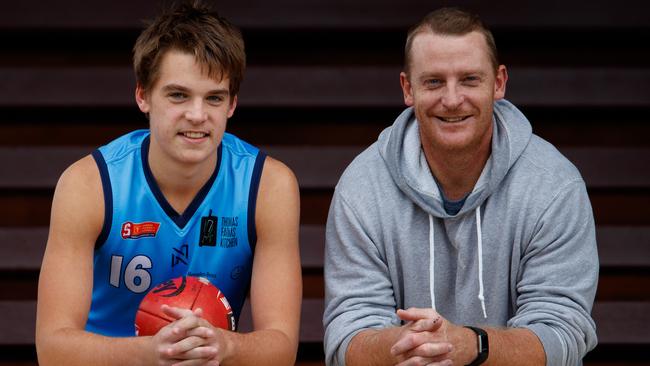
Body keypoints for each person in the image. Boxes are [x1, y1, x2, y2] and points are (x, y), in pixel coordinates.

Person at [323, 7, 598, 366]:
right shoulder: (361, 189)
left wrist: (472, 345)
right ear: (408, 89)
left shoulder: (554, 186)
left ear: (498, 83)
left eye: (469, 79)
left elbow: (563, 334)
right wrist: (409, 343)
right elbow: (347, 338)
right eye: (434, 81)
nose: (452, 100)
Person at [35, 1, 301, 365]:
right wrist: (152, 353)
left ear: (232, 104)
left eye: (214, 98)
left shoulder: (269, 185)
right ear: (143, 95)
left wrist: (226, 346)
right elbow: (52, 348)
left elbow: (281, 348)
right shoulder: (89, 184)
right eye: (178, 95)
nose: (197, 115)